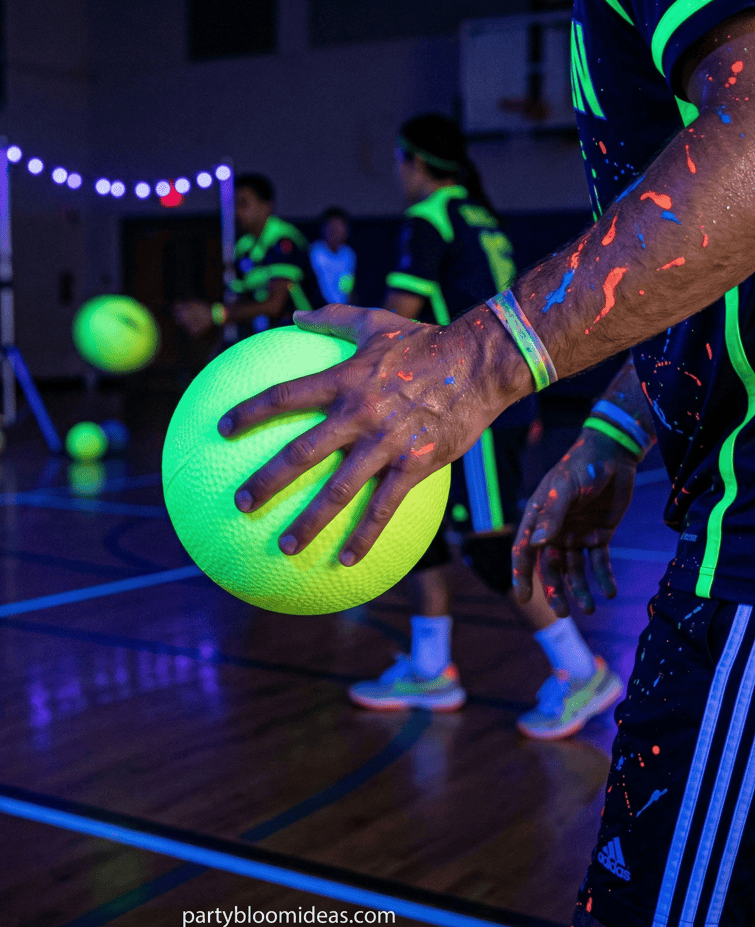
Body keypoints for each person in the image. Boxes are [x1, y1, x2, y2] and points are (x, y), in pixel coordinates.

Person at [217, 9, 755, 926]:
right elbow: (708, 265)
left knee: (478, 544)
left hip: (712, 538)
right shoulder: (475, 210)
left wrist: (467, 362)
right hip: (540, 416)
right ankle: (446, 661)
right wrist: (619, 428)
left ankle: (551, 665)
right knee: (467, 543)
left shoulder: (429, 220)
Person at [348, 113, 621, 741]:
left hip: (463, 403)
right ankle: (429, 667)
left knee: (491, 543)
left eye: (399, 160)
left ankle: (580, 670)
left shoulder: (432, 217)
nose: (398, 173)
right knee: (424, 533)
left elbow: (400, 317)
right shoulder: (479, 214)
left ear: (416, 161)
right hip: (488, 399)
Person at [174, 173, 321, 349]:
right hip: (268, 338)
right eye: (234, 205)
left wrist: (215, 314)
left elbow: (275, 305)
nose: (237, 212)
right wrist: (201, 315)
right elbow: (241, 301)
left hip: (305, 336)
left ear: (266, 206)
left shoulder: (283, 240)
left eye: (243, 204)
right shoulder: (243, 247)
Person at [309, 207, 357, 305]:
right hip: (317, 309)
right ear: (323, 228)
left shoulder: (348, 254)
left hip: (340, 312)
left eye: (339, 225)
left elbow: (346, 288)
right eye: (331, 225)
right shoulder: (315, 251)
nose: (335, 229)